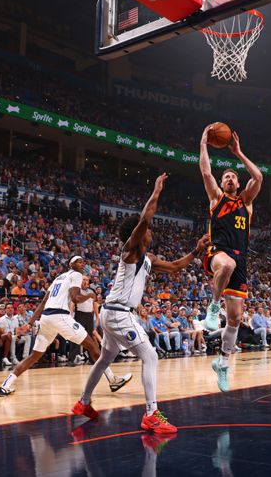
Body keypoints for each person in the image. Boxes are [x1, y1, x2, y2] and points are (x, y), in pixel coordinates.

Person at [76, 173, 208, 433]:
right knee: (150, 355)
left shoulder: (148, 258)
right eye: (147, 229)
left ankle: (83, 403)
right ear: (138, 232)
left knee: (104, 359)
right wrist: (156, 191)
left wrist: (196, 250)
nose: (150, 230)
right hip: (117, 313)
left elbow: (174, 267)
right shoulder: (130, 248)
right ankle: (151, 414)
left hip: (113, 312)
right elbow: (145, 218)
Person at [199, 126, 263, 392]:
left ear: (238, 184)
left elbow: (258, 177)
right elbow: (205, 171)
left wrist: (238, 153)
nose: (228, 179)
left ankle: (223, 363)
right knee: (227, 263)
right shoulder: (216, 198)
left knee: (236, 318)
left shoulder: (246, 203)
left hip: (241, 259)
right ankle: (213, 308)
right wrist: (203, 143)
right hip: (218, 253)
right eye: (224, 176)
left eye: (232, 177)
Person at [0, 256, 108, 398]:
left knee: (34, 356)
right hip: (60, 316)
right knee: (92, 345)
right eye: (79, 262)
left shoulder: (58, 278)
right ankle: (113, 379)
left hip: (46, 318)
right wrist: (89, 296)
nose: (82, 264)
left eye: (83, 262)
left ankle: (5, 385)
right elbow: (75, 298)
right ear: (71, 264)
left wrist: (30, 323)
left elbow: (43, 302)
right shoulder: (76, 275)